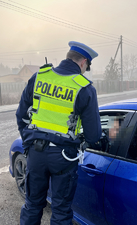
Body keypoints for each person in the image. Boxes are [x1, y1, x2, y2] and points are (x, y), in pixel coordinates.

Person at [16, 41, 102, 225]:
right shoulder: (85, 88)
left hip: (36, 153)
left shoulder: (39, 77)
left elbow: (21, 115)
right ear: (83, 62)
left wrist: (28, 143)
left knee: (32, 205)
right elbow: (93, 135)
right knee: (61, 211)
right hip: (63, 157)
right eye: (86, 67)